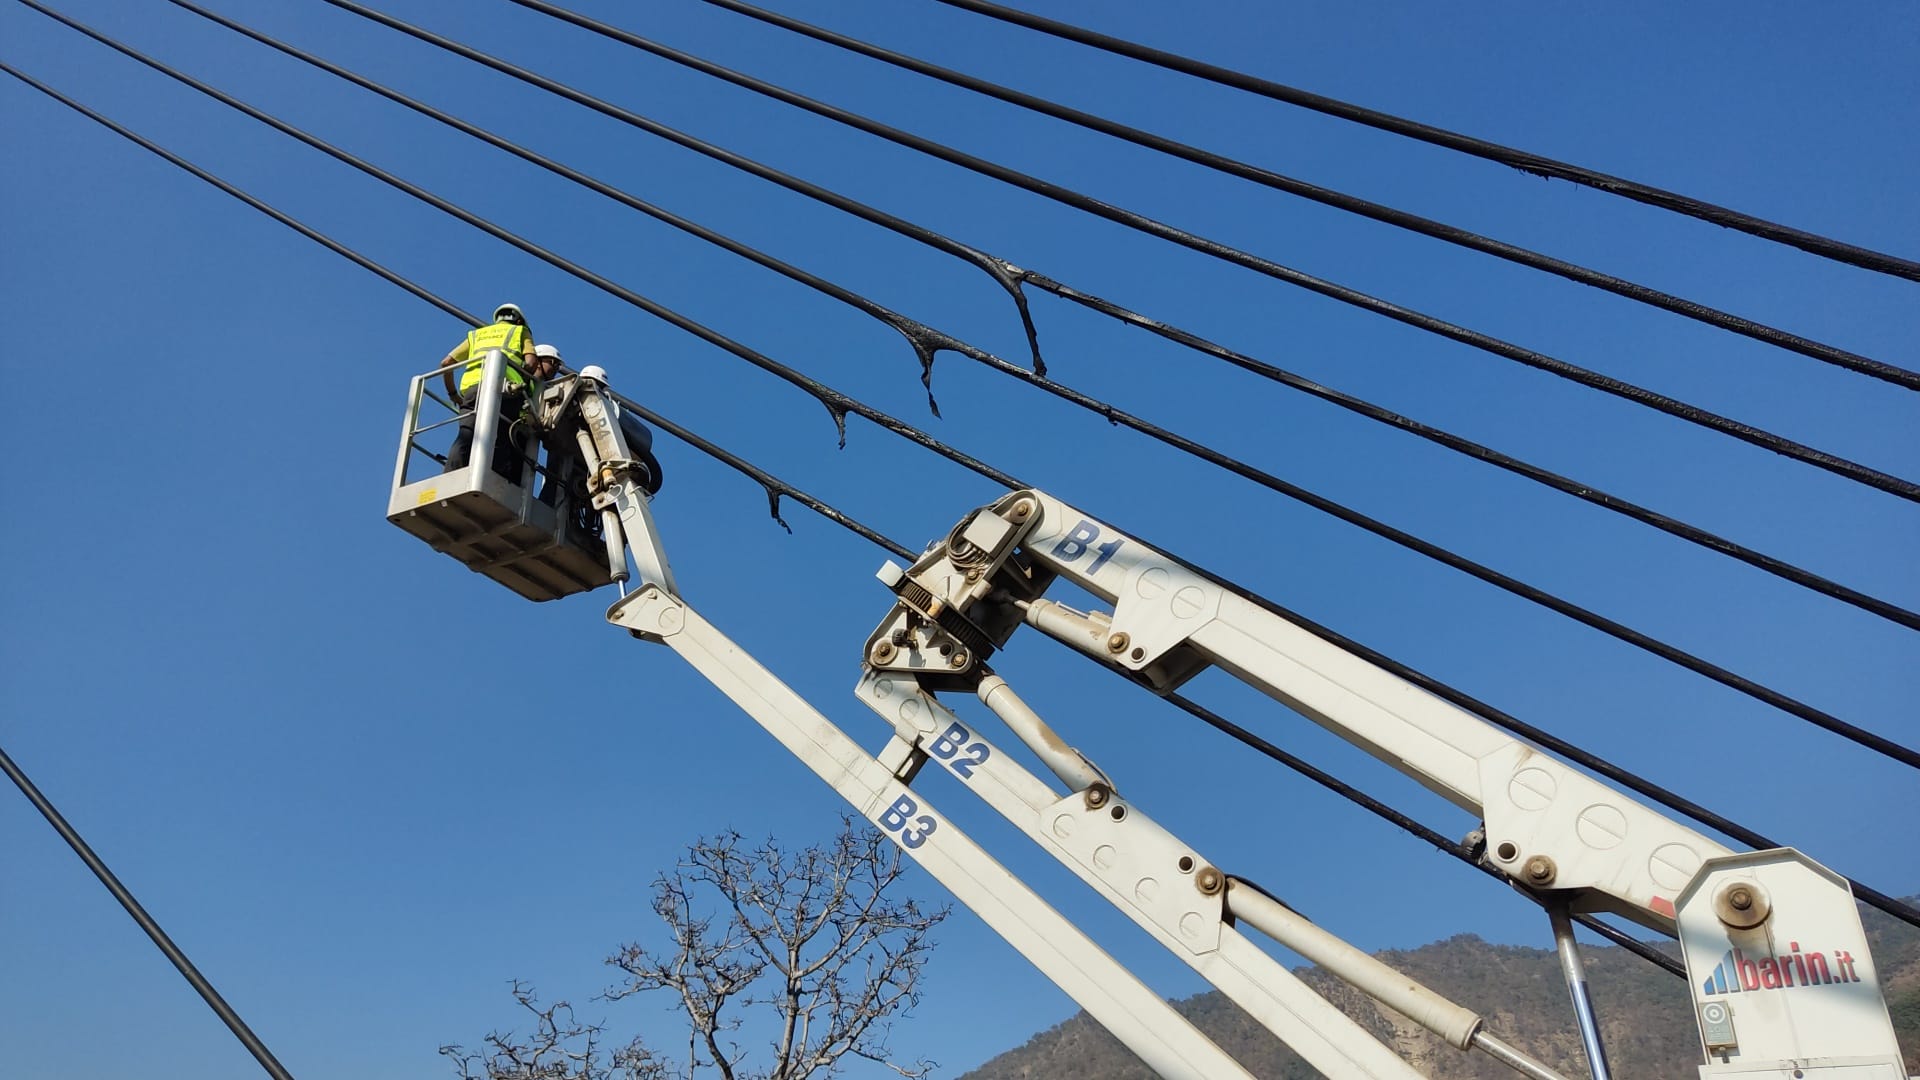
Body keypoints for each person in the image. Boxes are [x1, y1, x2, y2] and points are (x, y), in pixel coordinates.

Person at [441, 303, 540, 483]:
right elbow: (531, 364)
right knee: (500, 437)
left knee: (466, 434)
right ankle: (495, 480)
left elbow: (446, 363)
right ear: (518, 320)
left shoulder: (477, 335)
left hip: (474, 390)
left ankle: (451, 477)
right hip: (505, 391)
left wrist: (453, 394)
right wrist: (524, 381)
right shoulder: (520, 332)